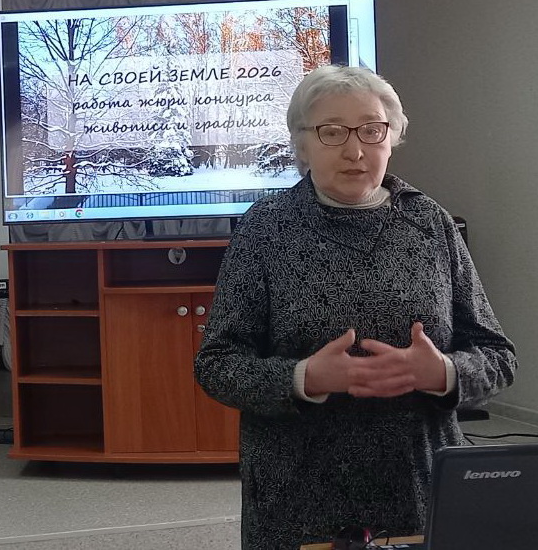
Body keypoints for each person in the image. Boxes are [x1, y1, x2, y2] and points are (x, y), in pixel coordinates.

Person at [194, 64, 517, 550]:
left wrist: (443, 372)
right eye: (331, 131)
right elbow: (217, 364)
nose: (355, 150)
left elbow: (498, 357)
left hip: (418, 487)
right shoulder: (265, 229)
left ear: (392, 138)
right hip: (295, 495)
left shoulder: (430, 223)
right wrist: (303, 378)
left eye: (371, 130)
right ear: (302, 143)